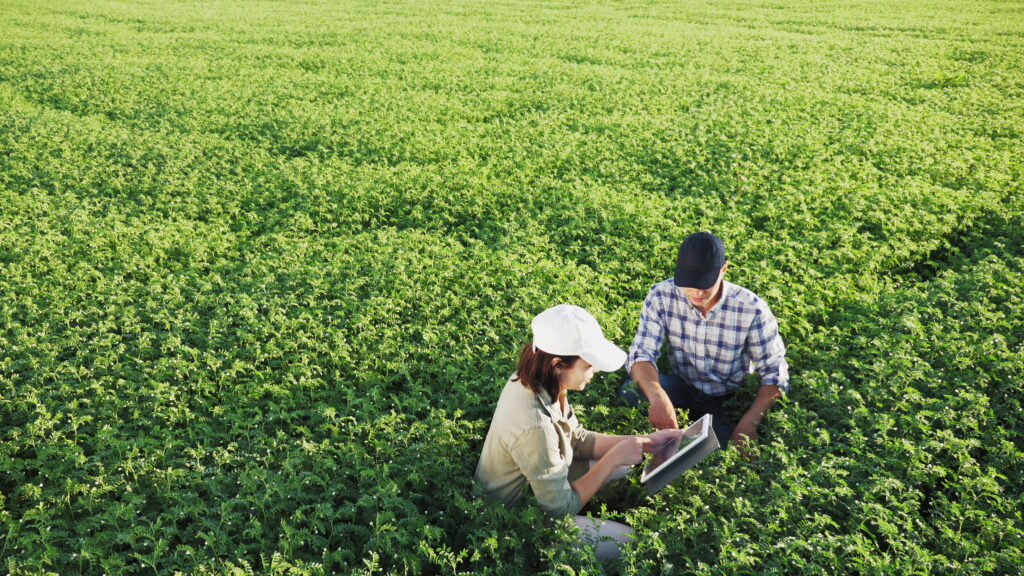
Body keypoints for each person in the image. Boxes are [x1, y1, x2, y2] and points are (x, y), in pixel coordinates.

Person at [476, 304, 682, 561]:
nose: (595, 370)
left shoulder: (539, 379)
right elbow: (558, 510)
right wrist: (614, 457)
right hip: (516, 522)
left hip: (540, 484)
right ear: (558, 364)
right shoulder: (534, 426)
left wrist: (644, 442)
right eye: (589, 364)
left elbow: (576, 438)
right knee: (629, 543)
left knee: (626, 465)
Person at [619, 232, 789, 447]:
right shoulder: (661, 296)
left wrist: (748, 425)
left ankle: (702, 434)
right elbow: (641, 353)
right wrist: (657, 396)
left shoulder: (751, 308)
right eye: (690, 283)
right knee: (630, 392)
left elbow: (774, 372)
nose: (697, 292)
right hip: (682, 385)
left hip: (726, 397)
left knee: (724, 447)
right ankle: (678, 434)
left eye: (705, 283)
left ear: (724, 269)